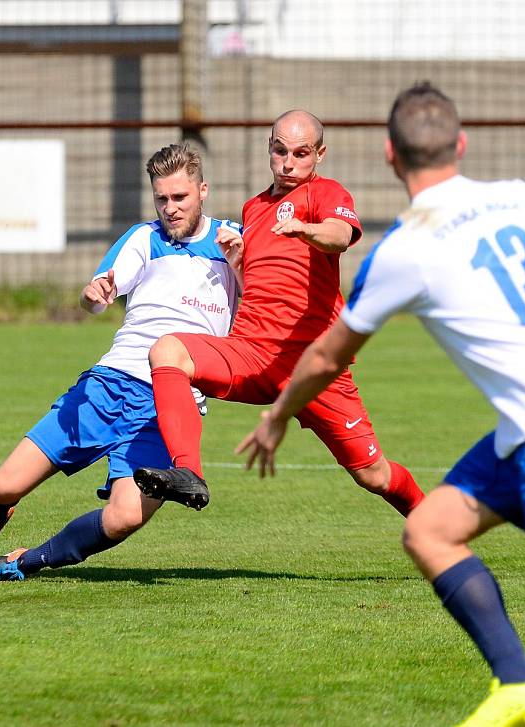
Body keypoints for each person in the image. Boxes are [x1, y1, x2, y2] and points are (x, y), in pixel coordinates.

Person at [241, 83, 525, 726]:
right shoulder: (517, 195)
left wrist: (278, 416)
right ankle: (515, 683)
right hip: (515, 438)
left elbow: (323, 356)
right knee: (429, 528)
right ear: (461, 143)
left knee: (428, 533)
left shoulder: (405, 249)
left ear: (390, 156)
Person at [0, 143, 241, 581]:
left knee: (124, 517)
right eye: (161, 199)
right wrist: (93, 295)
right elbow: (98, 294)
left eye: (180, 198)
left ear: (203, 190)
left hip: (169, 406)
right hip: (110, 386)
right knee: (3, 486)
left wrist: (241, 263)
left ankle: (22, 563)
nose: (170, 208)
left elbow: (265, 300)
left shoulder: (233, 240)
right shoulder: (143, 238)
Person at [134, 110, 424, 517]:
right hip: (252, 354)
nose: (289, 163)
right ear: (268, 149)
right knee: (167, 351)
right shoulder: (254, 208)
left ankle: (432, 523)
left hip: (313, 367)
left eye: (301, 153)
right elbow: (265, 284)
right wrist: (238, 263)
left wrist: (307, 230)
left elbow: (340, 237)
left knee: (373, 475)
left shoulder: (324, 193)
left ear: (319, 154)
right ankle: (188, 473)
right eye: (280, 150)